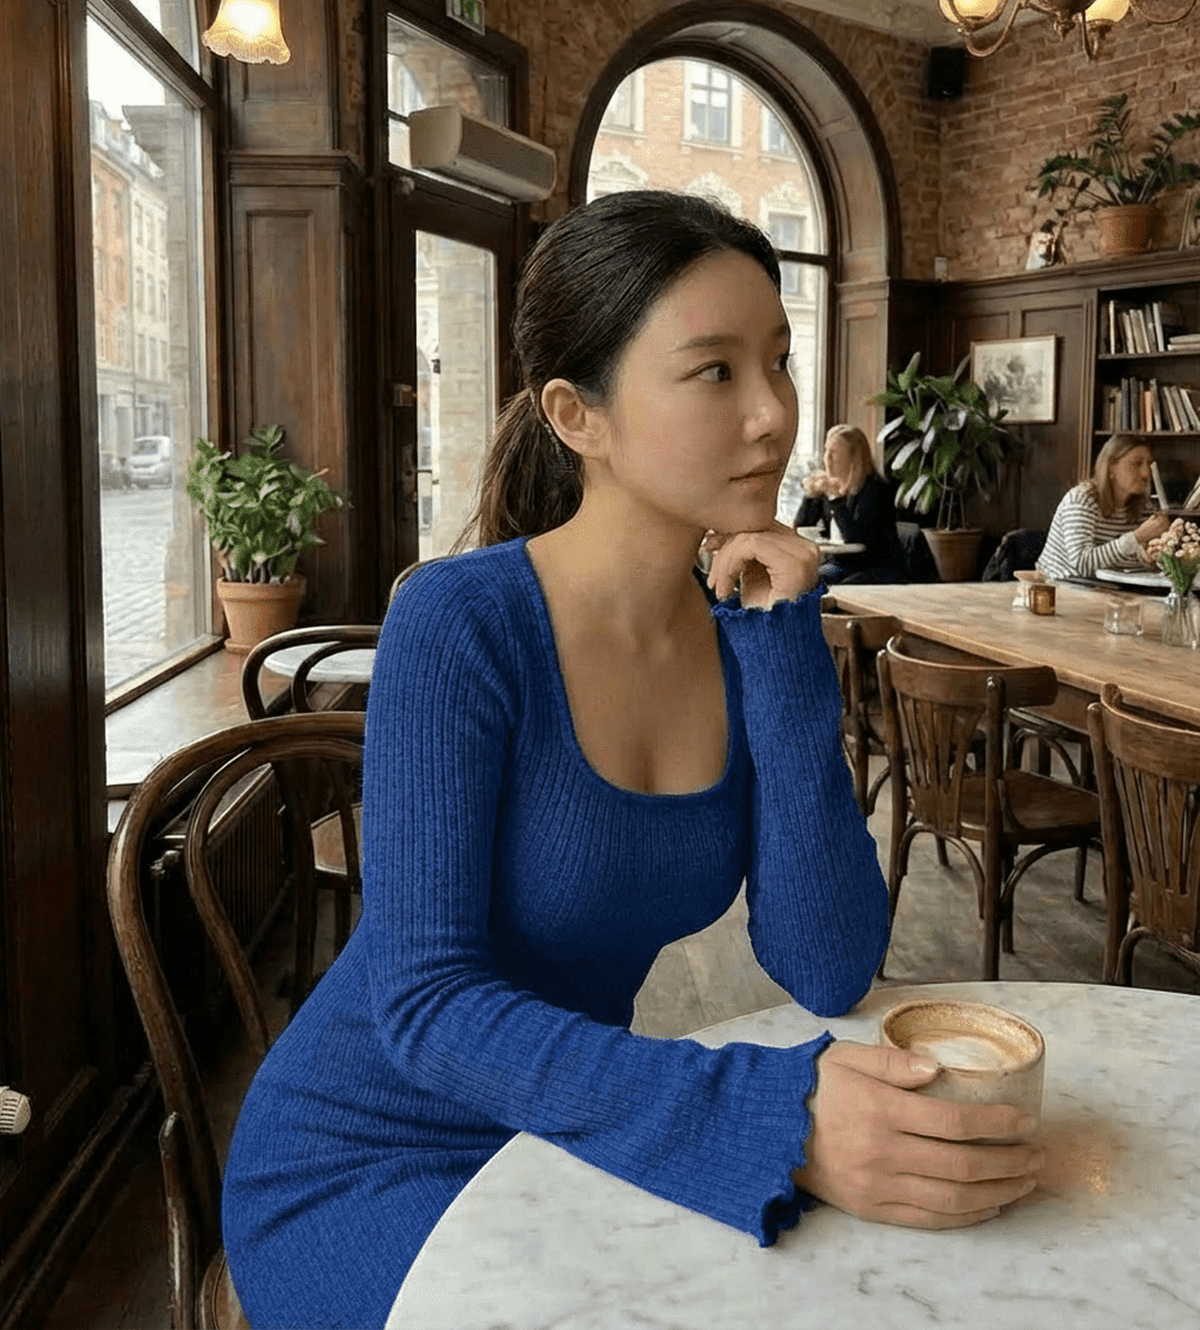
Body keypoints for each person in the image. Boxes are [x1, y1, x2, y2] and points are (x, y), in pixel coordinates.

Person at [221, 191, 1046, 1330]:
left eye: (780, 361)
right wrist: (774, 1114)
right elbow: (422, 1005)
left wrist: (785, 653)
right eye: (713, 371)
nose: (773, 416)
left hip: (571, 1122)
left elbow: (827, 962)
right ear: (578, 415)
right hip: (365, 1153)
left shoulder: (744, 632)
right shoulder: (461, 622)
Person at [1036, 433, 1169, 580]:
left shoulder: (1145, 506)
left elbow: (1126, 561)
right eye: (1136, 463)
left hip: (1109, 588)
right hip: (1060, 586)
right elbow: (1081, 563)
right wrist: (1136, 537)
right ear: (1111, 467)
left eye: (1149, 464)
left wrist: (1147, 558)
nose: (1146, 473)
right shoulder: (1082, 499)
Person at [794, 424, 906, 584]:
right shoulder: (830, 485)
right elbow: (801, 525)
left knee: (825, 587)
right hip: (839, 564)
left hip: (873, 567)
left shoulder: (874, 489)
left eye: (834, 452)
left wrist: (834, 497)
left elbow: (854, 538)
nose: (827, 458)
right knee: (798, 581)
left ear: (853, 457)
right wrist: (811, 494)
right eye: (826, 450)